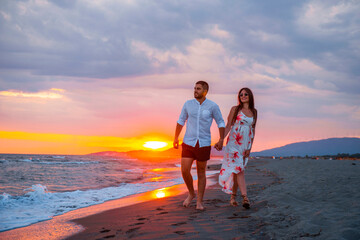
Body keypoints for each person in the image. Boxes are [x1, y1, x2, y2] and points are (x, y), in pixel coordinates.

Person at [174, 81, 225, 210]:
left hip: (203, 143)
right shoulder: (188, 104)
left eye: (198, 88)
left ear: (205, 91)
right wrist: (175, 137)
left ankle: (200, 202)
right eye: (194, 88)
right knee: (185, 170)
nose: (195, 90)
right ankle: (191, 193)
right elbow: (181, 120)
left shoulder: (212, 106)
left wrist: (221, 139)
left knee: (201, 172)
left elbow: (220, 122)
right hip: (188, 142)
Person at [215, 87, 257, 209]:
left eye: (245, 94)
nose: (243, 96)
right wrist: (221, 139)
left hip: (245, 144)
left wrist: (250, 147)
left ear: (250, 96)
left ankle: (233, 197)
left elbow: (253, 130)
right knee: (240, 169)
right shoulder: (235, 109)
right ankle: (245, 197)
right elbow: (228, 125)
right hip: (233, 142)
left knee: (237, 170)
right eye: (241, 94)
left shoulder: (254, 112)